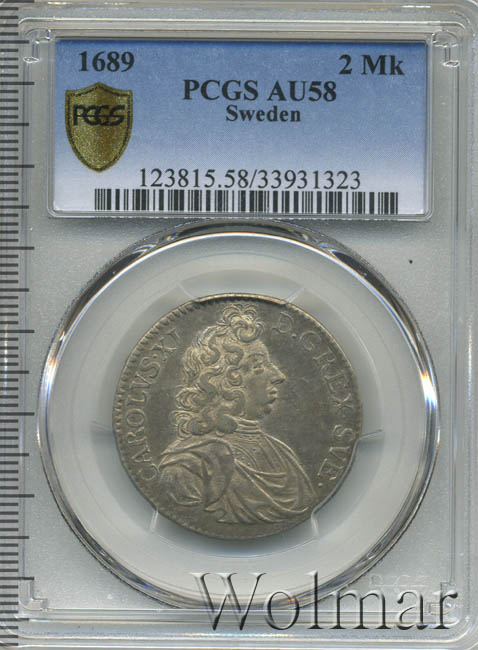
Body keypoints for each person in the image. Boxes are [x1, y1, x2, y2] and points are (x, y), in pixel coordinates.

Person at [157, 301, 316, 526]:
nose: (278, 375)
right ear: (228, 381)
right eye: (260, 366)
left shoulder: (282, 453)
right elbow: (191, 521)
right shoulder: (189, 464)